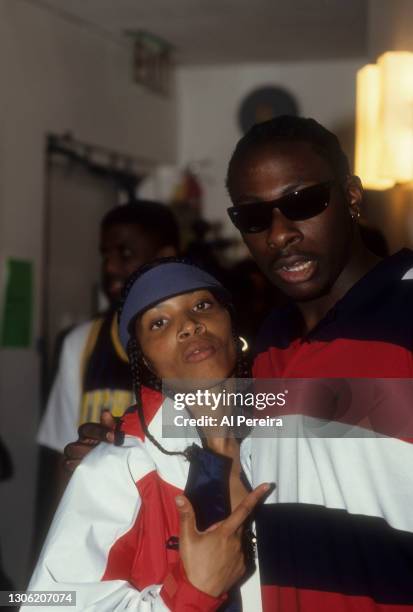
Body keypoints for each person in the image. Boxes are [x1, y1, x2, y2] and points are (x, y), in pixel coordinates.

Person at [225, 116, 413, 610]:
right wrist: (124, 445)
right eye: (253, 217)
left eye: (303, 203)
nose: (279, 234)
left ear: (352, 196)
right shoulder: (268, 342)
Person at [26, 259, 270, 611]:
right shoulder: (121, 468)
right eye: (159, 322)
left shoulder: (288, 432)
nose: (188, 325)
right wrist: (190, 594)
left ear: (231, 321)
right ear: (146, 362)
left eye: (202, 305)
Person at [38, 200, 180, 455]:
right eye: (105, 255)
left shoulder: (199, 342)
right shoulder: (80, 343)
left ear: (164, 257)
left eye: (125, 254)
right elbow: (64, 453)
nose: (110, 267)